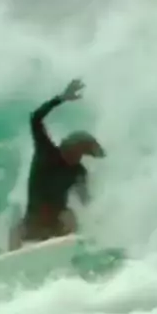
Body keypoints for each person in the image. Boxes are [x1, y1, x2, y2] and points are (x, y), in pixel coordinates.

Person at [9, 79, 106, 251]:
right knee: (15, 229)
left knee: (70, 216)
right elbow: (35, 119)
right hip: (32, 225)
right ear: (66, 147)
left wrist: (101, 211)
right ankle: (10, 259)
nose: (76, 157)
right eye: (75, 151)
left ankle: (74, 252)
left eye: (81, 154)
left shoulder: (78, 172)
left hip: (56, 229)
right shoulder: (46, 152)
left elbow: (86, 201)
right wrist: (61, 98)